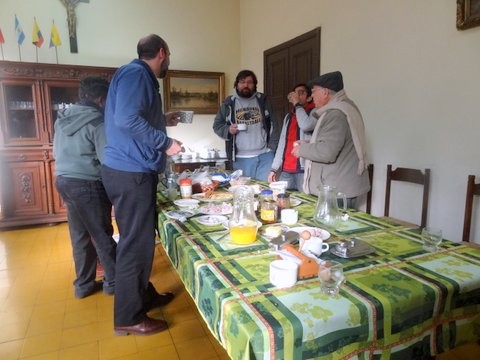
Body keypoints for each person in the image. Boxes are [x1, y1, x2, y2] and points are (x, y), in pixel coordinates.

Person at [101, 34, 183, 336]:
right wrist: (165, 142)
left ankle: (142, 296)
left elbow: (133, 118)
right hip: (131, 172)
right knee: (135, 247)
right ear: (162, 53)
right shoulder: (138, 74)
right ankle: (128, 317)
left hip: (125, 170)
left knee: (139, 243)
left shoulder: (132, 74)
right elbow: (126, 120)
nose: (169, 61)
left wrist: (162, 120)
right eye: (169, 55)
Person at [53, 76, 116, 299]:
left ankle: (83, 285)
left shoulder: (62, 118)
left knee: (80, 235)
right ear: (101, 100)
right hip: (88, 184)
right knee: (102, 235)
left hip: (63, 181)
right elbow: (107, 161)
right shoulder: (97, 122)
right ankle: (114, 283)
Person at [292, 71, 370, 209]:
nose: (312, 96)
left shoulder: (336, 113)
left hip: (337, 191)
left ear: (325, 92)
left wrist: (301, 150)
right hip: (338, 186)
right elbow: (334, 143)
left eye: (314, 91)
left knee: (334, 228)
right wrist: (310, 144)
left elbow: (327, 152)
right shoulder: (343, 107)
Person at [213, 70, 278, 181]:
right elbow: (217, 125)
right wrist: (228, 129)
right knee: (245, 192)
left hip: (265, 156)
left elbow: (275, 124)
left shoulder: (263, 100)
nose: (246, 85)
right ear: (237, 84)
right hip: (240, 158)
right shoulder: (229, 103)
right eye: (242, 82)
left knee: (265, 191)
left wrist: (272, 148)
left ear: (254, 84)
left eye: (249, 82)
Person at [268, 83, 316, 191]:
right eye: (295, 93)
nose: (297, 96)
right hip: (286, 170)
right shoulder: (288, 117)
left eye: (301, 93)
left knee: (305, 202)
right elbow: (282, 143)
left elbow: (306, 125)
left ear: (309, 98)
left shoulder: (314, 113)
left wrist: (297, 104)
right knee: (284, 200)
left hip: (303, 170)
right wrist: (274, 168)